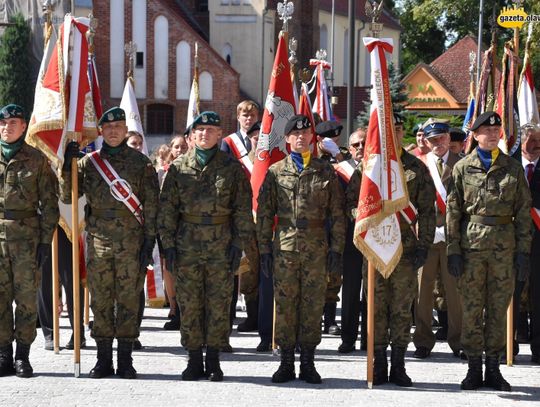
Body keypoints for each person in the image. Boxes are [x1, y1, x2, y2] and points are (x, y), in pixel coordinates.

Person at [61, 107, 159, 379]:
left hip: (132, 242)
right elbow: (68, 198)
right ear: (101, 131)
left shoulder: (142, 164)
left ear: (126, 130)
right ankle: (103, 359)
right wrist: (66, 166)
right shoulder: (88, 163)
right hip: (99, 241)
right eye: (109, 127)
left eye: (119, 126)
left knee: (128, 301)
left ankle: (125, 361)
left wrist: (149, 242)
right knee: (101, 301)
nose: (114, 131)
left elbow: (152, 206)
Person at [158, 111, 254, 381]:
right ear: (192, 135)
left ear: (220, 134)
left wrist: (238, 244)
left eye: (211, 130)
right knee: (189, 304)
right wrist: (169, 246)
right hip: (187, 246)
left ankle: (213, 359)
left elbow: (242, 210)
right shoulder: (178, 168)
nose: (204, 134)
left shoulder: (231, 168)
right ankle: (192, 359)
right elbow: (167, 211)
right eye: (199, 130)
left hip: (221, 246)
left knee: (219, 304)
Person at [346, 113, 436, 387]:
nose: (393, 134)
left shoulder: (415, 168)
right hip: (374, 251)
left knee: (400, 309)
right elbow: (352, 204)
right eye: (388, 129)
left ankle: (398, 363)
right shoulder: (367, 168)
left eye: (398, 129)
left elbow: (427, 211)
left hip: (405, 252)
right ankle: (379, 362)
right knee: (375, 308)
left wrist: (425, 246)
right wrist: (367, 221)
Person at [446, 111, 531, 392]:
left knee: (498, 309)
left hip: (504, 249)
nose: (493, 134)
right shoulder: (462, 167)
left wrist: (523, 252)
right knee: (471, 308)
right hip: (471, 249)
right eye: (487, 131)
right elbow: (453, 212)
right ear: (476, 134)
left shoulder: (512, 167)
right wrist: (453, 250)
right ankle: (473, 367)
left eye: (496, 131)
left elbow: (523, 211)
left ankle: (493, 367)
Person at [257, 114, 345, 384]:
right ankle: (285, 362)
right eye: (295, 134)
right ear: (286, 139)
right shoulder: (275, 172)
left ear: (312, 138)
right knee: (285, 305)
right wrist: (264, 251)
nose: (301, 138)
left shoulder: (325, 170)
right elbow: (264, 214)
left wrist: (336, 250)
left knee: (312, 304)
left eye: (306, 133)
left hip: (317, 247)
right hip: (284, 248)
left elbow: (338, 214)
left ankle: (308, 361)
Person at [0, 104, 59, 378]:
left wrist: (45, 242)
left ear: (24, 127)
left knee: (25, 301)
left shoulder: (36, 160)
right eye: (3, 123)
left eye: (13, 123)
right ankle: (3, 354)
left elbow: (49, 205)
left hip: (27, 241)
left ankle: (23, 356)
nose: (7, 127)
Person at [412, 119, 463, 359]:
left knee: (455, 293)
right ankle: (422, 340)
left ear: (448, 139)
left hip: (454, 237)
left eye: (442, 139)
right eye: (433, 140)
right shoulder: (420, 165)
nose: (438, 144)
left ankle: (459, 340)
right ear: (426, 142)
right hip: (426, 236)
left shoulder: (462, 164)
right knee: (423, 292)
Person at [221, 101, 262, 348]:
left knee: (255, 264)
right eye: (244, 115)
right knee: (238, 263)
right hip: (238, 211)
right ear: (238, 117)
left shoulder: (264, 138)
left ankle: (255, 315)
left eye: (252, 114)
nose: (248, 118)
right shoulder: (229, 143)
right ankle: (229, 316)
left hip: (259, 211)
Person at [315, 120, 349, 336]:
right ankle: (314, 317)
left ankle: (329, 319)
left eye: (335, 138)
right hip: (315, 222)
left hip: (335, 221)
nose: (333, 141)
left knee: (333, 274)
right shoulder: (311, 156)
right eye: (328, 139)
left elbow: (351, 178)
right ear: (318, 139)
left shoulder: (342, 155)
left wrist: (338, 156)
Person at [336, 128, 367, 353]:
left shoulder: (380, 170)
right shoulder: (339, 171)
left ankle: (369, 336)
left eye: (364, 143)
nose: (360, 148)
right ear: (349, 148)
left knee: (372, 291)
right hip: (349, 238)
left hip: (375, 238)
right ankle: (348, 338)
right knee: (350, 290)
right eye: (355, 145)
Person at [37, 226, 85, 351]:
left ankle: (78, 332)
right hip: (40, 225)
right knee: (44, 282)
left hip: (66, 224)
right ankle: (49, 333)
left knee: (71, 279)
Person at [521, 124, 540, 364]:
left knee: (538, 293)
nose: (534, 145)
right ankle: (508, 344)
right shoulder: (511, 167)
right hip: (512, 239)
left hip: (539, 241)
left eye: (537, 140)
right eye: (529, 141)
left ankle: (538, 346)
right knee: (511, 293)